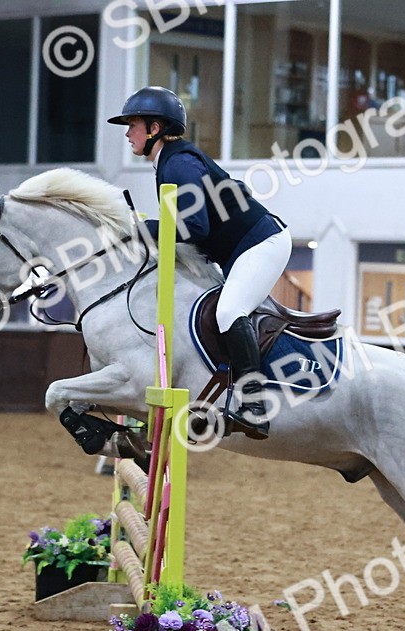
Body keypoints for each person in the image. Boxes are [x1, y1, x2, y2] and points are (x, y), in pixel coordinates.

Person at [109, 86, 290, 440]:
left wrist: (144, 229)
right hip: (236, 250)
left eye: (133, 125)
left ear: (155, 128)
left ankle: (255, 405)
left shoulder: (178, 163)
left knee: (229, 311)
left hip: (261, 244)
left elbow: (195, 227)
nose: (128, 133)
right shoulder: (170, 161)